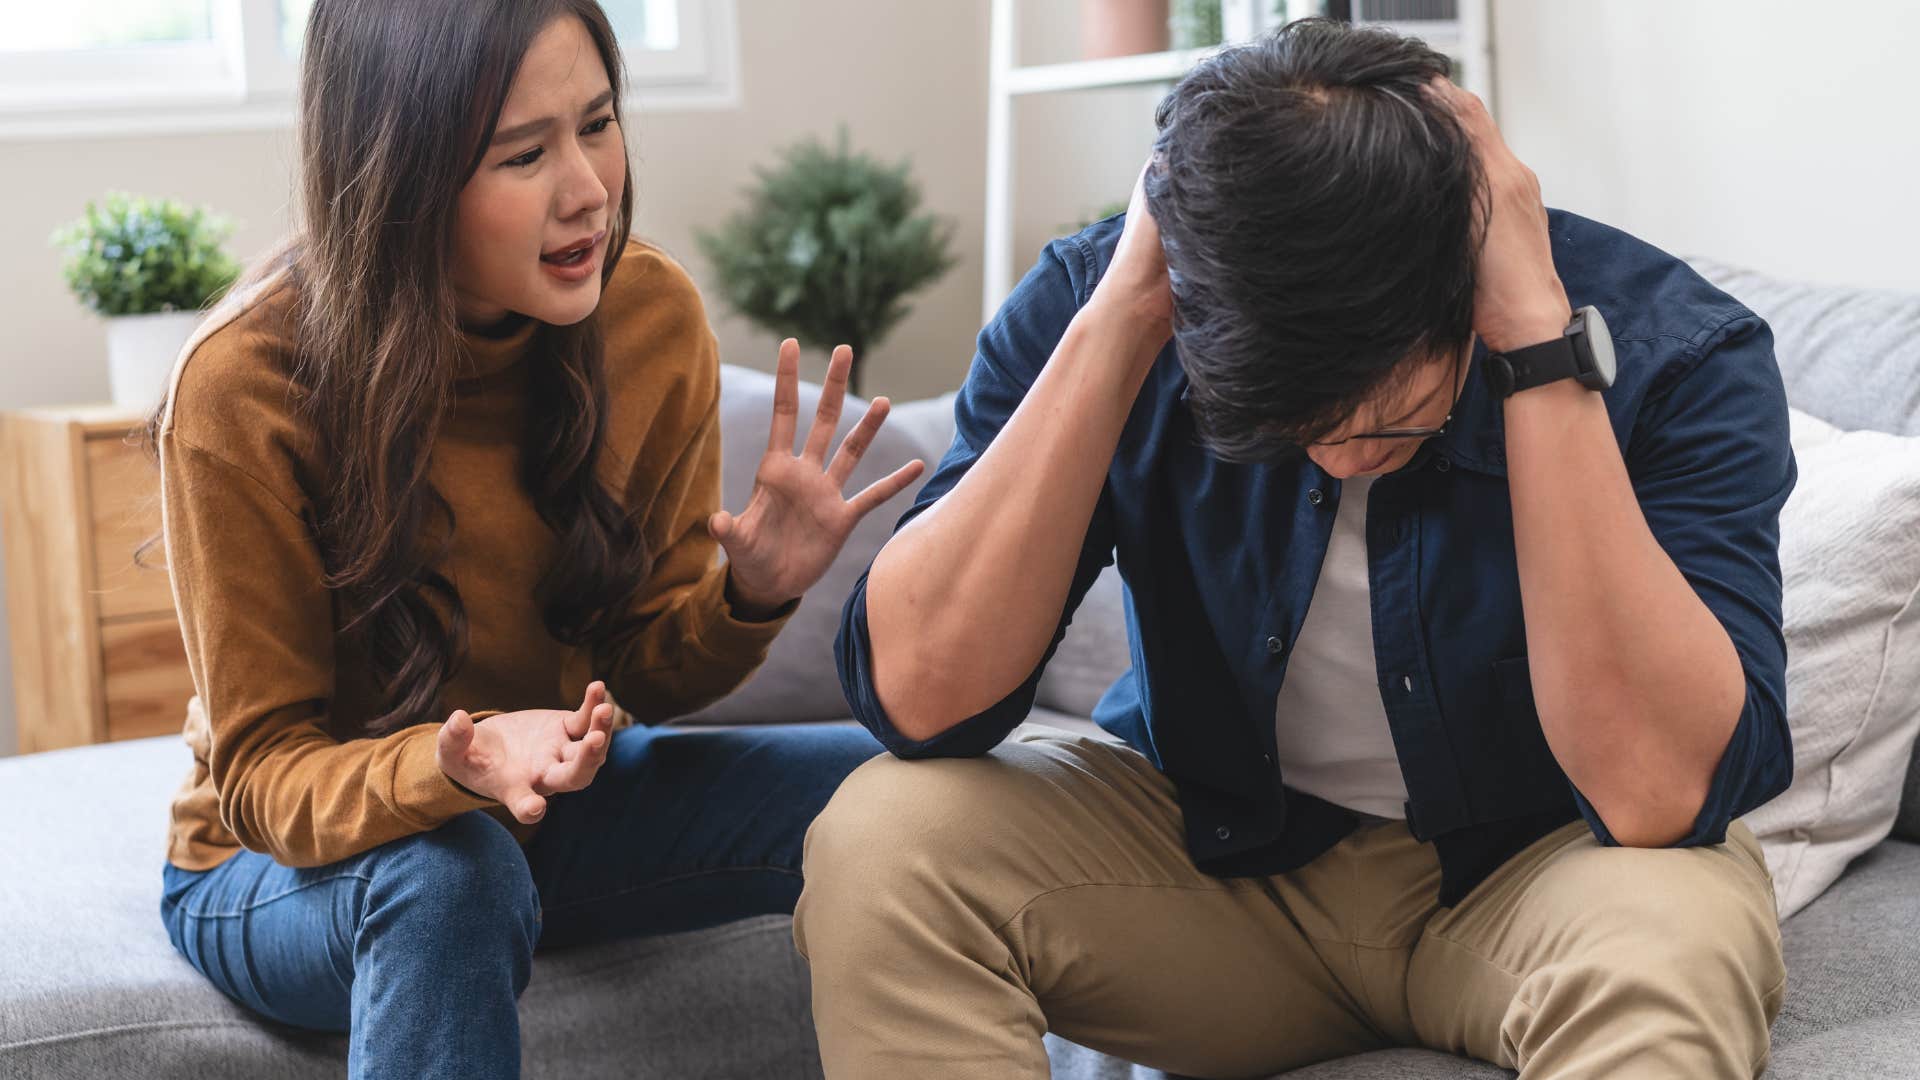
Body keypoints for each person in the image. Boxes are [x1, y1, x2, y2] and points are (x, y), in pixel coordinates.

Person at [797, 18, 1792, 1079]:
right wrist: (1124, 313)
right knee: (884, 840)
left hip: (1544, 873)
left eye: (1389, 422)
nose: (1337, 458)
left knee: (1680, 940)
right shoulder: (1115, 302)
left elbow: (1660, 797)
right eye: (1283, 431)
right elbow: (920, 696)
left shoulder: (1677, 355)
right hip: (1213, 872)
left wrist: (1536, 346)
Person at [150, 2, 921, 1076]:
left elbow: (643, 663)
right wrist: (449, 764)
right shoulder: (245, 385)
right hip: (284, 866)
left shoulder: (648, 315)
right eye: (525, 153)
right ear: (405, 176)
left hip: (547, 814)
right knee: (450, 869)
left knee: (907, 786)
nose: (589, 190)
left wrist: (751, 594)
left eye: (597, 124)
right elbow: (265, 776)